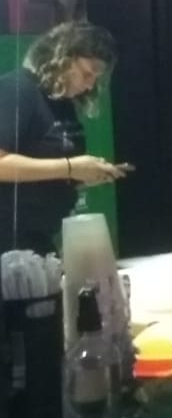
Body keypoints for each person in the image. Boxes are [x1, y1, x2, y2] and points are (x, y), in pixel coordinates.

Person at [0, 21, 124, 254]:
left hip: (40, 237)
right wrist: (69, 168)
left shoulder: (61, 102)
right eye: (87, 73)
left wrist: (84, 174)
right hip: (8, 240)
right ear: (63, 58)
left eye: (96, 78)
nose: (90, 85)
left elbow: (46, 169)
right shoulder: (17, 90)